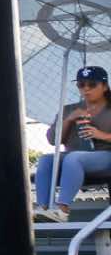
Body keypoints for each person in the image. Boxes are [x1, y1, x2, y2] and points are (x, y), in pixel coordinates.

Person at [35, 65, 111, 223]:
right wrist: (69, 120)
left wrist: (101, 135)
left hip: (106, 157)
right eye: (81, 84)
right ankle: (45, 209)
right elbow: (53, 140)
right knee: (46, 160)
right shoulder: (68, 109)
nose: (86, 89)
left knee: (74, 158)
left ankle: (62, 209)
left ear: (104, 86)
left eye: (92, 84)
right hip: (74, 158)